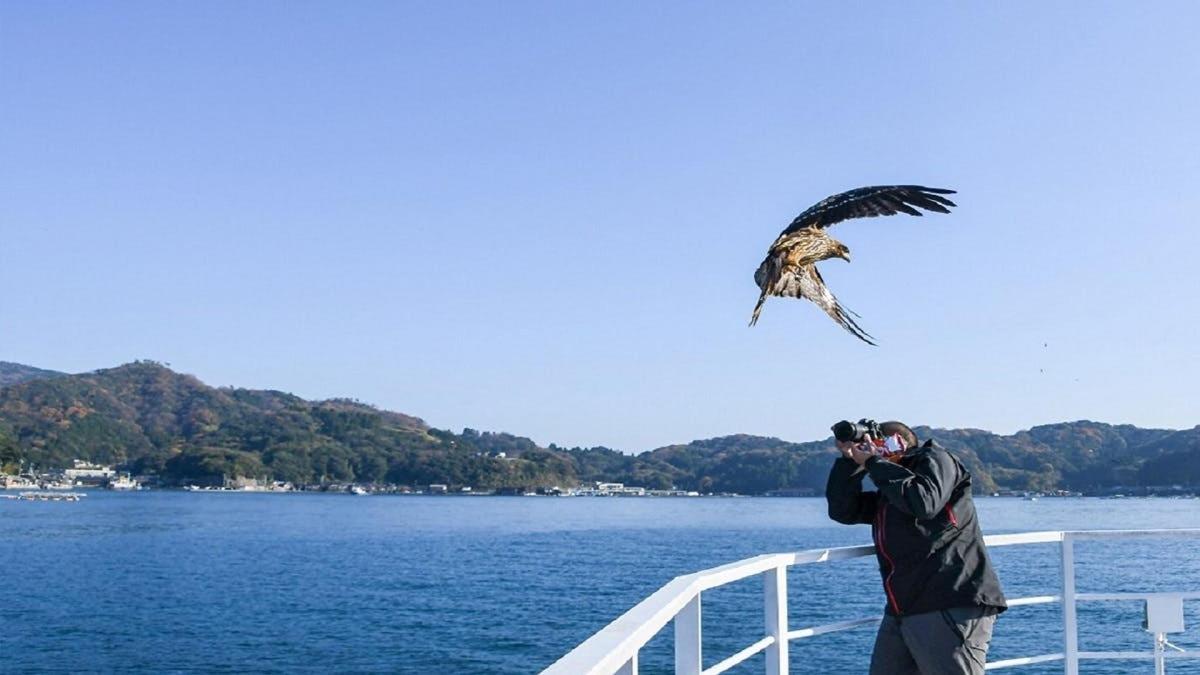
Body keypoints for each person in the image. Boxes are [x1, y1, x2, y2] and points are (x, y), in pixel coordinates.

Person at [825, 421, 1006, 675]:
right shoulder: (890, 492)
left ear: (897, 442)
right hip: (904, 608)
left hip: (950, 601)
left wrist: (875, 463)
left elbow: (924, 502)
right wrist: (849, 462)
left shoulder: (937, 459)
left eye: (879, 443)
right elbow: (843, 510)